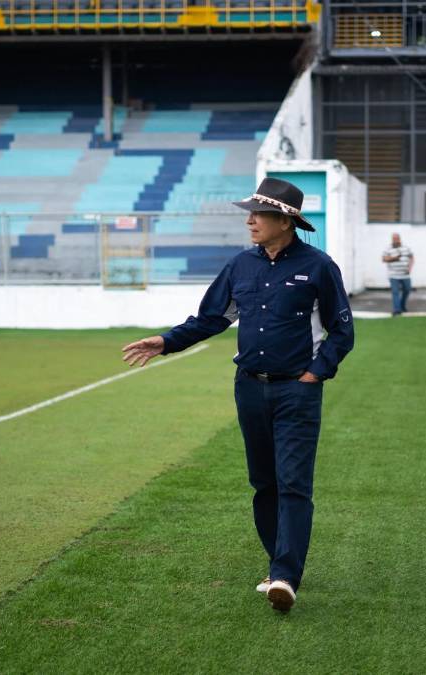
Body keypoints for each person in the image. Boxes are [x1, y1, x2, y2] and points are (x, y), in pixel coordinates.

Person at [121, 177, 354, 613]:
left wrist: (316, 374)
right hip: (249, 388)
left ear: (285, 221)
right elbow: (211, 319)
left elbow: (342, 330)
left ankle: (285, 575)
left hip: (296, 392)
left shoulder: (319, 267)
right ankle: (276, 564)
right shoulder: (240, 266)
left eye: (258, 213)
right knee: (263, 483)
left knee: (293, 484)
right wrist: (167, 341)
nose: (250, 220)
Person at [381, 233, 414, 315]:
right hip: (393, 275)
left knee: (407, 290)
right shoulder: (388, 249)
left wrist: (410, 268)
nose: (395, 240)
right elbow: (384, 259)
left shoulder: (406, 248)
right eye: (394, 238)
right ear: (392, 239)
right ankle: (397, 310)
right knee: (395, 292)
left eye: (396, 238)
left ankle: (402, 306)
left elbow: (411, 257)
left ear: (399, 239)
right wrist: (394, 258)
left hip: (405, 274)